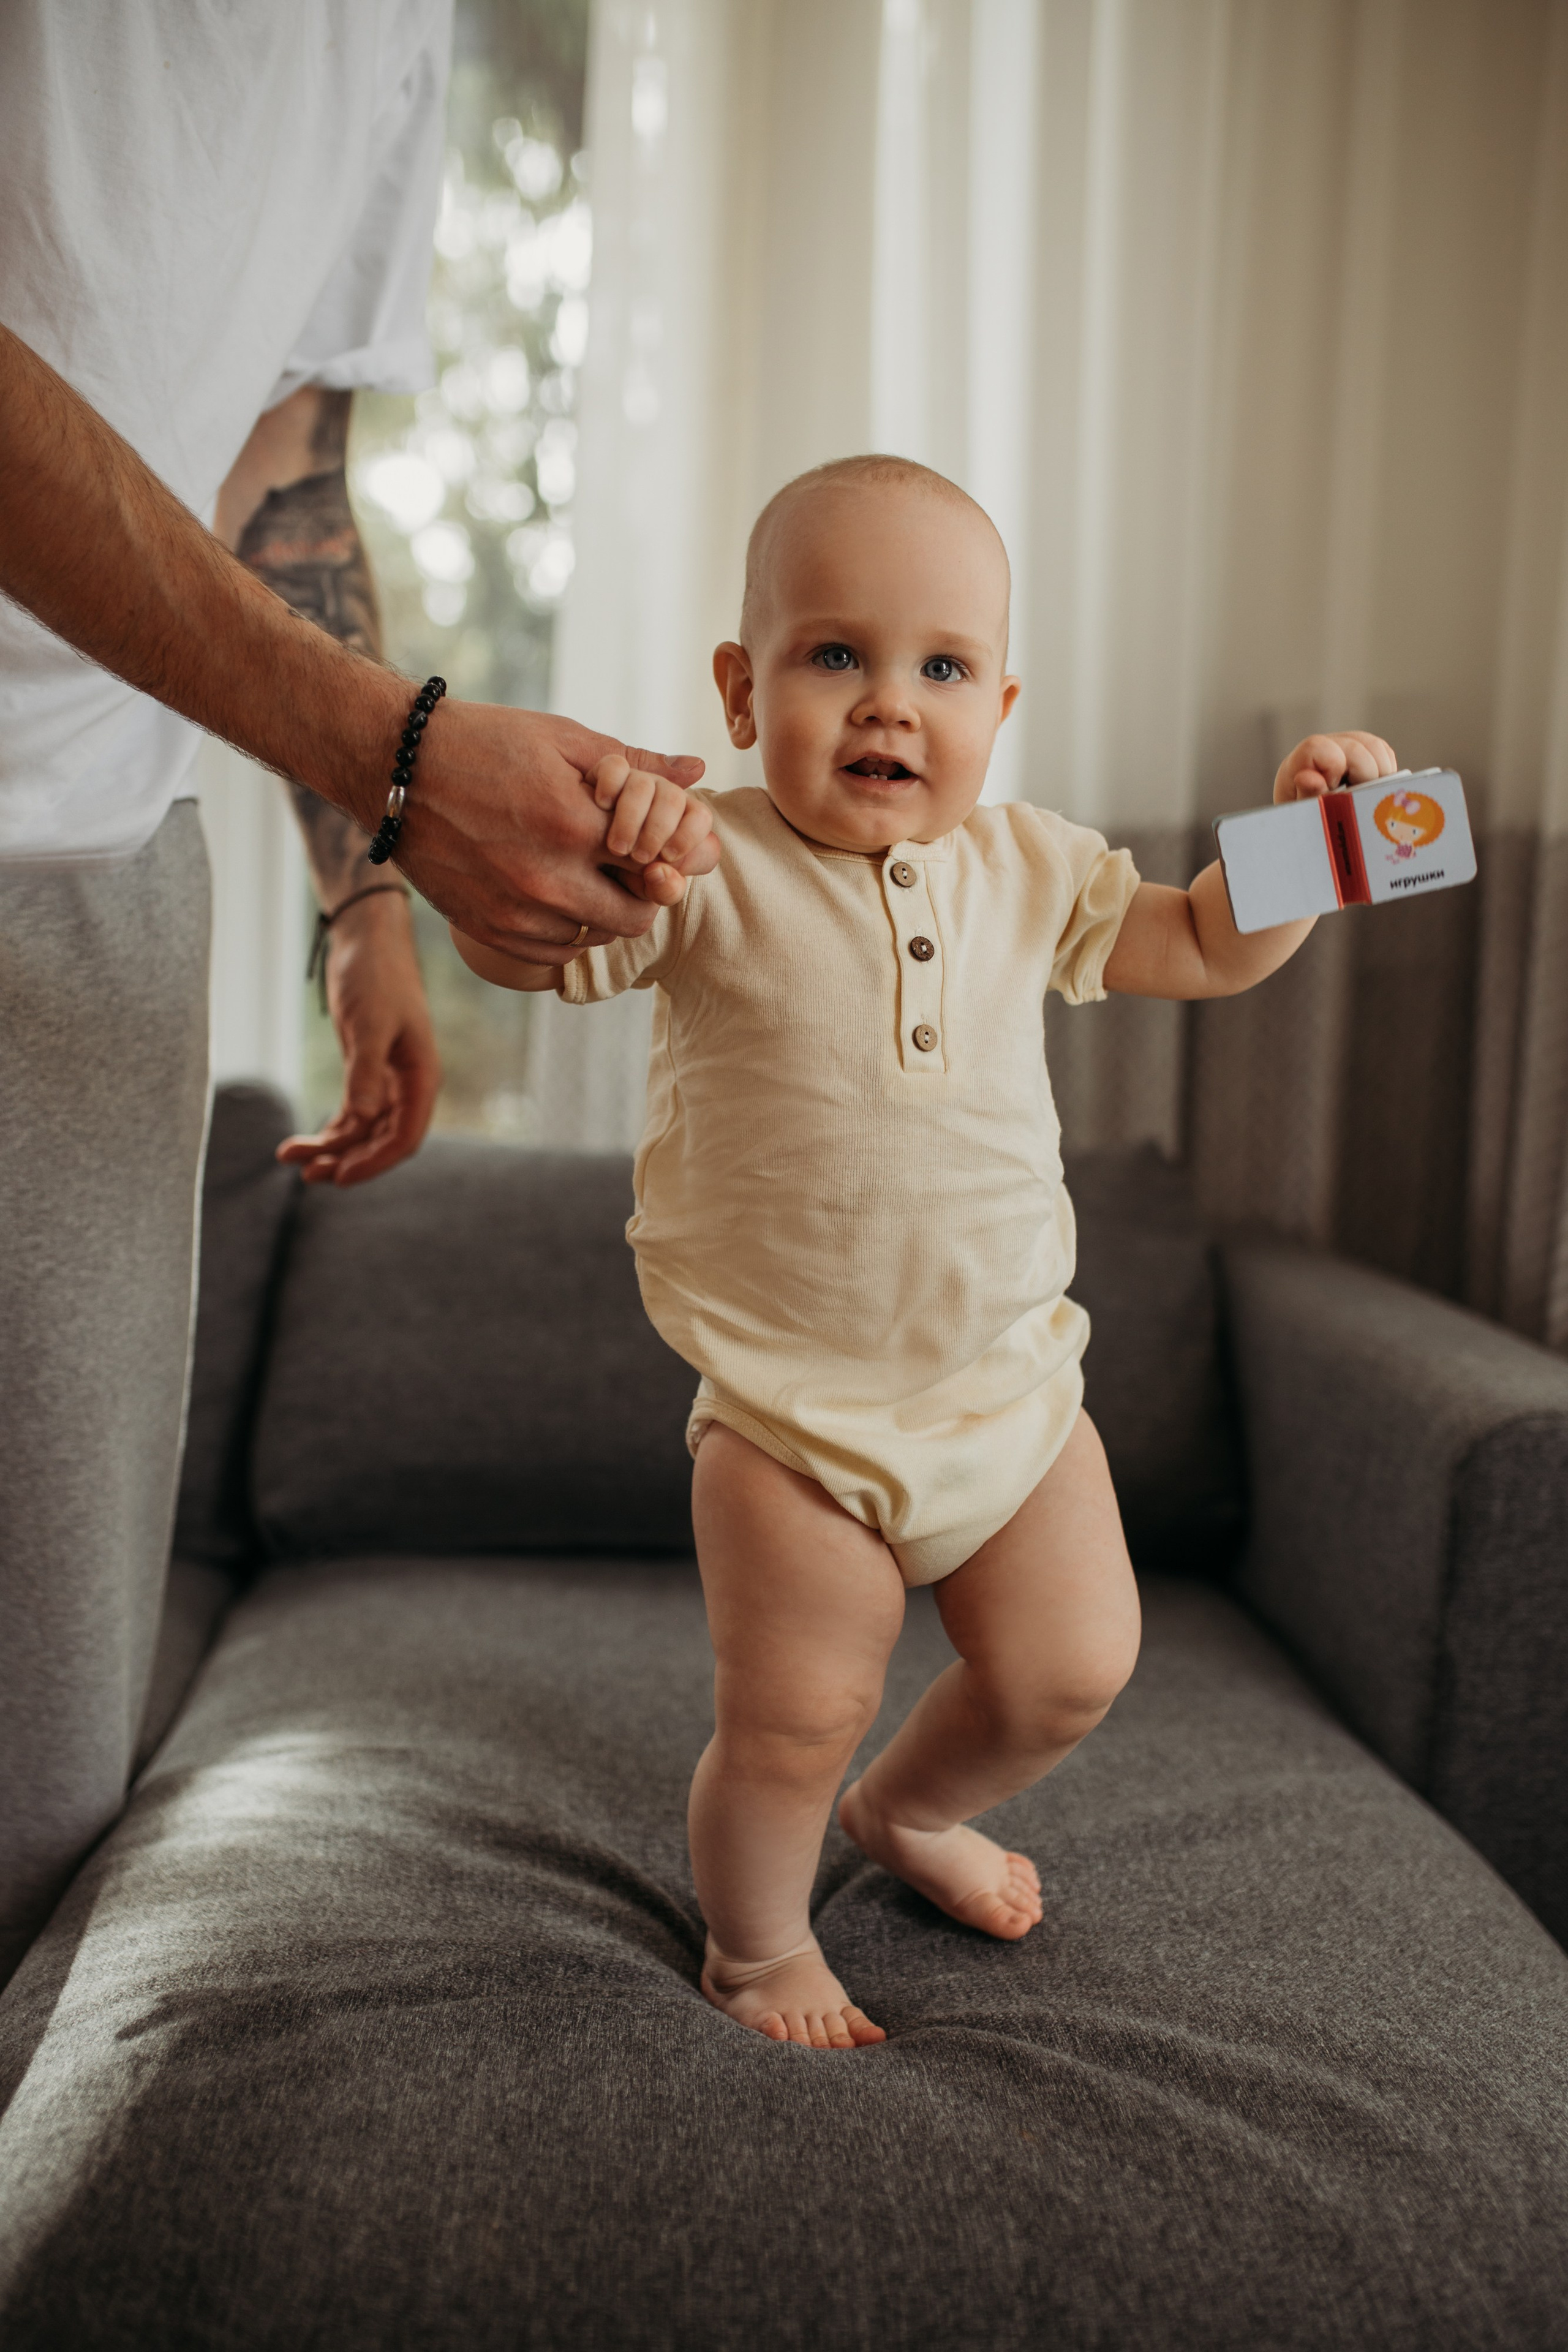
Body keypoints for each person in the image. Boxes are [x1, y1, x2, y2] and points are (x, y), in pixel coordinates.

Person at [453, 453, 1400, 2048]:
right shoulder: (706, 864)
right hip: (793, 1418)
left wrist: (1314, 844)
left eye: (942, 669)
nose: (892, 705)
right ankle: (755, 1950)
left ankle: (907, 1812)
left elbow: (1201, 940)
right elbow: (523, 945)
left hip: (1009, 1393)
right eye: (839, 657)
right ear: (743, 693)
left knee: (1072, 1667)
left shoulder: (1030, 869)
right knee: (796, 1707)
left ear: (1000, 705)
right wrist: (565, 865)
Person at [0, 1, 713, 1983]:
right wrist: (405, 758)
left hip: (101, 890)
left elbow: (284, 478)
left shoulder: (392, 37)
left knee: (41, 1757)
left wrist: (367, 889)